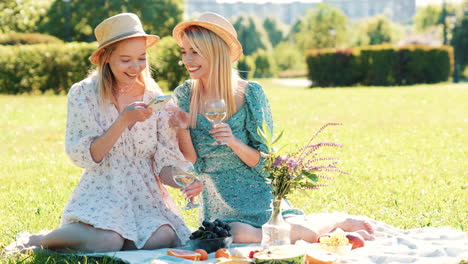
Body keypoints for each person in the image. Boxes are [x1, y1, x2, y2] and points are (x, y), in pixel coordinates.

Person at [5, 13, 202, 254]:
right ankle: (39, 240)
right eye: (126, 60)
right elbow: (86, 156)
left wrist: (185, 181)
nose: (136, 67)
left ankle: (99, 242)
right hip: (104, 191)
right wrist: (122, 121)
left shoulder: (154, 96)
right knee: (107, 241)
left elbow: (163, 164)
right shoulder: (84, 94)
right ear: (106, 58)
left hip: (145, 198)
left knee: (162, 237)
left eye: (141, 58)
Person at [170, 12, 374, 244]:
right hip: (216, 198)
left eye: (194, 52)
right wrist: (183, 129)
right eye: (184, 52)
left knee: (284, 233)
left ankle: (336, 221)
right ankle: (294, 234)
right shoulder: (185, 95)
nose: (187, 60)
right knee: (233, 233)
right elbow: (192, 162)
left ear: (215, 53)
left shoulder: (250, 94)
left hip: (255, 192)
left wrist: (234, 142)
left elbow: (265, 164)